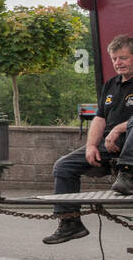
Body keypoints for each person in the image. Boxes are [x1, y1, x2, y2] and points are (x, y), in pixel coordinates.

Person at [44, 35, 133, 243]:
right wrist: (91, 145)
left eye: (123, 58)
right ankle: (70, 223)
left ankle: (128, 176)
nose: (118, 63)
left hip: (130, 143)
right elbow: (99, 118)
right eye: (114, 59)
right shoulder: (111, 85)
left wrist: (119, 129)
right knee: (63, 167)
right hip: (109, 146)